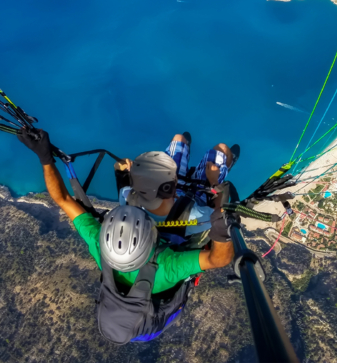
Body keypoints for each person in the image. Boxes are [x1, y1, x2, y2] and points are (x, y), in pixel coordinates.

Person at [17, 129, 236, 344]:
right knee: (220, 151)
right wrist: (217, 192)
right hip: (193, 208)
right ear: (151, 237)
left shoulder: (100, 243)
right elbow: (218, 259)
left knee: (185, 141)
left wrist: (45, 157)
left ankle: (195, 149)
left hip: (176, 200)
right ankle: (224, 160)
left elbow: (64, 200)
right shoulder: (166, 266)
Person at [114, 132, 240, 247]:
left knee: (179, 138)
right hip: (195, 199)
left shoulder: (129, 197)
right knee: (222, 149)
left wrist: (121, 168)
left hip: (172, 193)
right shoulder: (195, 217)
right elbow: (218, 212)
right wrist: (214, 181)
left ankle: (185, 149)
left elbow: (121, 176)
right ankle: (226, 164)